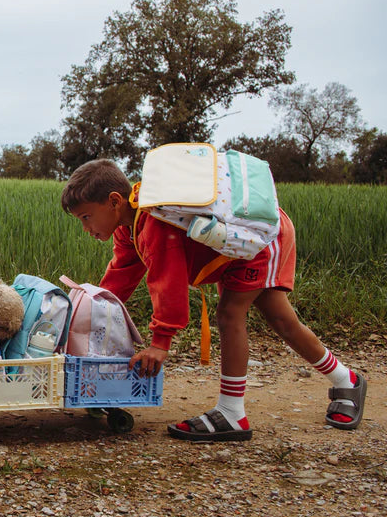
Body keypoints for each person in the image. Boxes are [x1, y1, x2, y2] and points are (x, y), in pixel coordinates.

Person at [61, 158, 368, 442]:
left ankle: (232, 413)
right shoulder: (128, 229)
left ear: (114, 201)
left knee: (231, 314)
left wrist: (160, 342)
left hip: (260, 242)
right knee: (281, 321)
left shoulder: (153, 223)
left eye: (86, 217)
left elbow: (168, 283)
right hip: (235, 253)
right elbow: (119, 279)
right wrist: (90, 308)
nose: (86, 228)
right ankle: (347, 380)